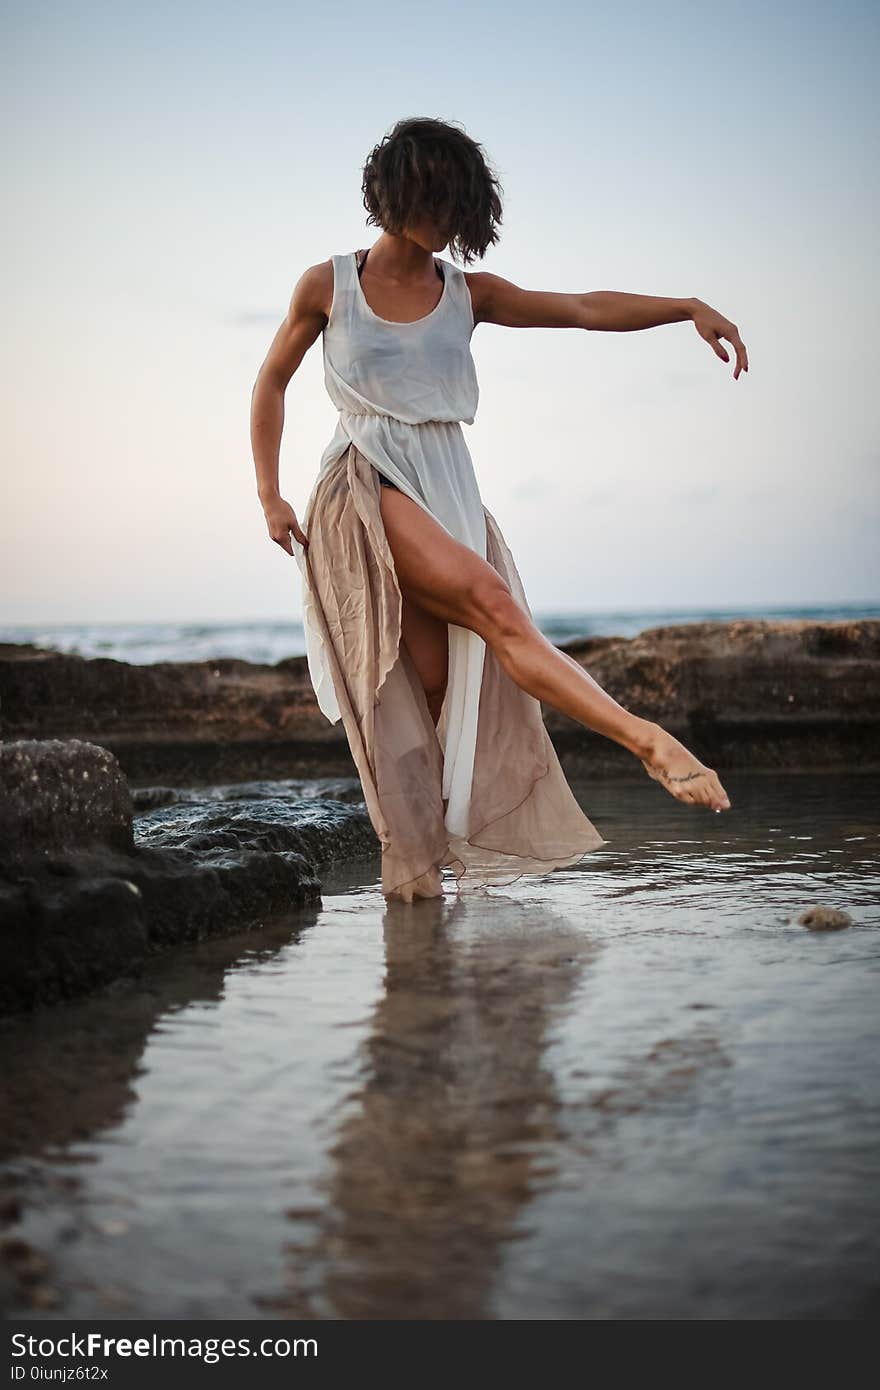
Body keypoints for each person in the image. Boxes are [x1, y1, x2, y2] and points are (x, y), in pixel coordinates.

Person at [251, 117, 746, 903]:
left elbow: (582, 306)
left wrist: (684, 306)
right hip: (366, 482)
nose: (448, 217)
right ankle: (649, 744)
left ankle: (419, 904)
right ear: (398, 191)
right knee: (495, 608)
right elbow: (271, 381)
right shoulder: (328, 285)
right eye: (437, 197)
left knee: (441, 690)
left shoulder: (465, 294)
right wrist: (270, 494)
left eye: (460, 203)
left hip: (449, 486)